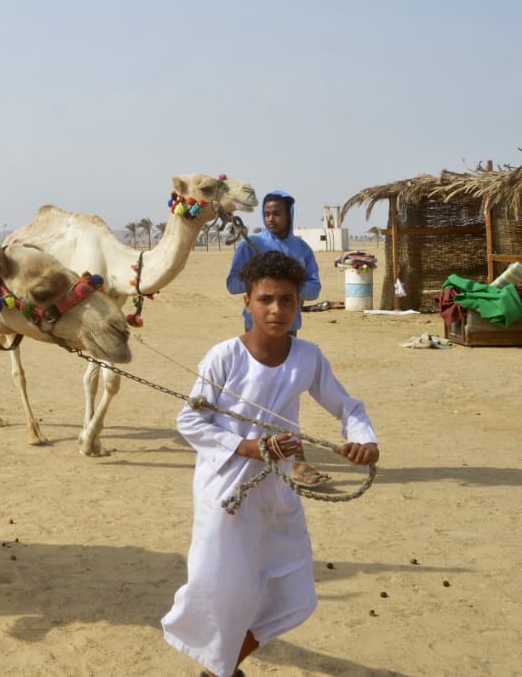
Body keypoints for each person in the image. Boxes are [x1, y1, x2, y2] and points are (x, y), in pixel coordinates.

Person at [162, 251, 379, 677]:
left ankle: (221, 667)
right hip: (226, 491)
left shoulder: (308, 357)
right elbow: (189, 418)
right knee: (222, 587)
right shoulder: (224, 357)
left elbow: (346, 405)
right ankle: (220, 667)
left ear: (299, 306)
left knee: (291, 591)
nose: (276, 310)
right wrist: (247, 447)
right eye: (265, 300)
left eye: (286, 300)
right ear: (247, 303)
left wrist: (363, 440)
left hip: (276, 491)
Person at [226, 189, 325, 486]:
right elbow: (232, 284)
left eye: (277, 213)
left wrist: (290, 284)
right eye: (267, 213)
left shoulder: (302, 249)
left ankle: (292, 458)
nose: (271, 219)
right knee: (258, 392)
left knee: (287, 393)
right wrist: (261, 276)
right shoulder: (252, 244)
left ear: (289, 215)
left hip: (289, 331)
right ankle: (262, 454)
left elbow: (315, 288)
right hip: (256, 334)